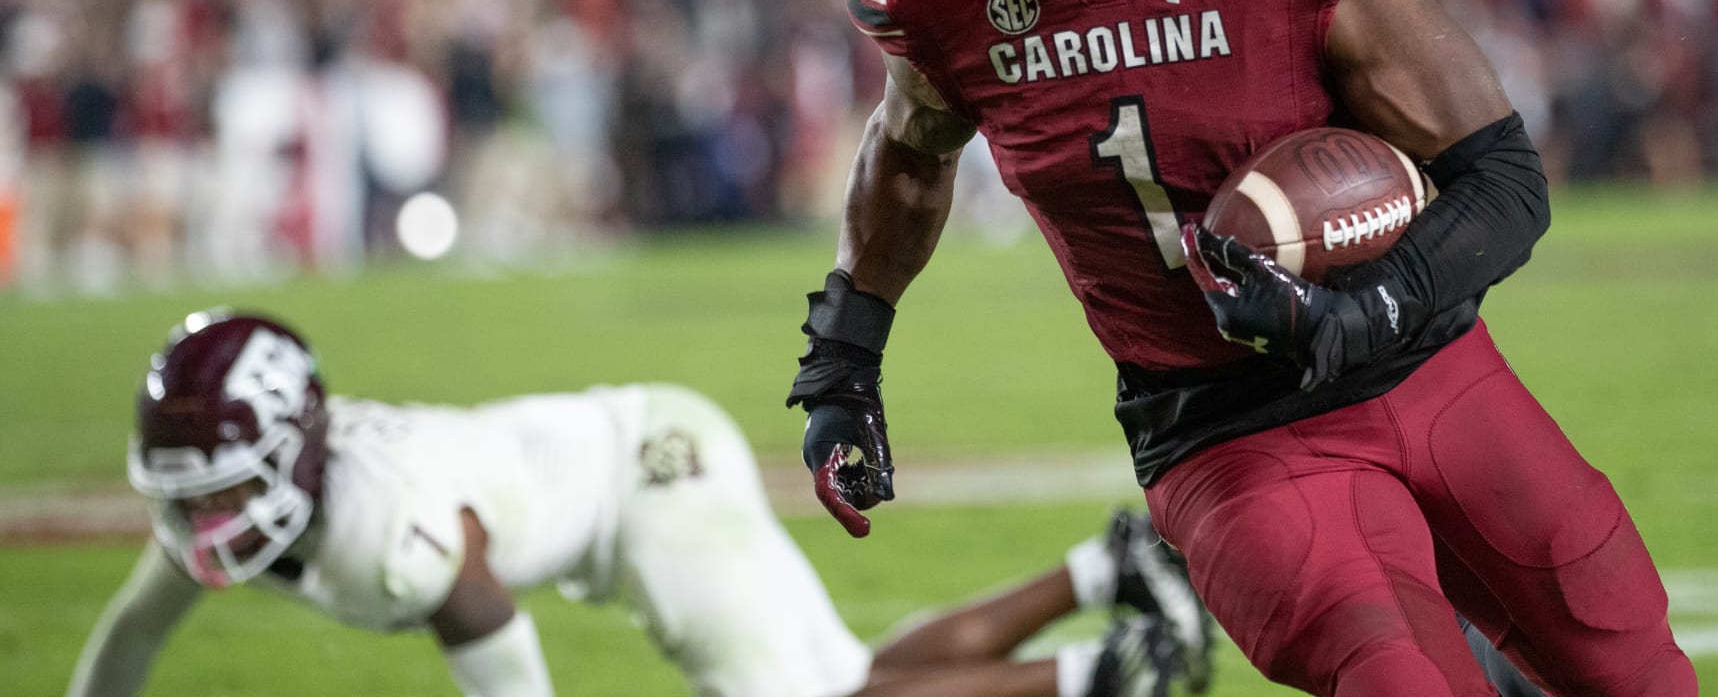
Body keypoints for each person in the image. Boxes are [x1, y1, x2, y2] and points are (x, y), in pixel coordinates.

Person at [785, 0, 1697, 697]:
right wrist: (845, 360)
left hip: (1433, 370)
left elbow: (1502, 180)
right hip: (1224, 426)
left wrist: (1368, 308)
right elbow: (907, 153)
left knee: (1633, 663)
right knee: (1405, 683)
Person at [69, 310, 1214, 697]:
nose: (208, 514)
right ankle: (1101, 579)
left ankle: (1107, 671)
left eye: (223, 481)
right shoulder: (266, 506)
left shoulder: (386, 527)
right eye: (192, 491)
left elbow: (493, 629)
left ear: (292, 447)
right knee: (846, 682)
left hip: (645, 479)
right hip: (628, 464)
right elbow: (128, 639)